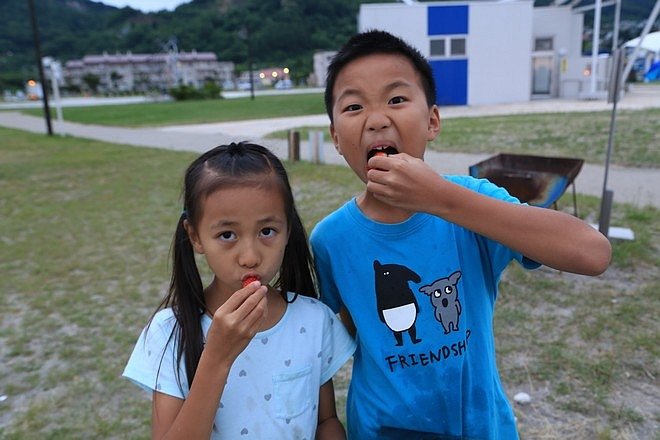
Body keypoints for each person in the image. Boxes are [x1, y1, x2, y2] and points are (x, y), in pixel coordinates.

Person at [310, 30, 612, 439]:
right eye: (353, 106)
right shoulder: (330, 239)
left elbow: (592, 253)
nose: (377, 119)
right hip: (381, 429)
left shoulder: (472, 202)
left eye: (396, 99)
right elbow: (328, 338)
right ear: (335, 138)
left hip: (478, 425)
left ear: (432, 120)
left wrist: (441, 199)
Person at [123, 142, 356, 439]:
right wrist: (217, 357)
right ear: (195, 236)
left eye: (267, 231)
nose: (250, 256)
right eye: (227, 235)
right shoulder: (170, 333)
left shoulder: (314, 320)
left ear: (287, 230)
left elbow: (325, 422)